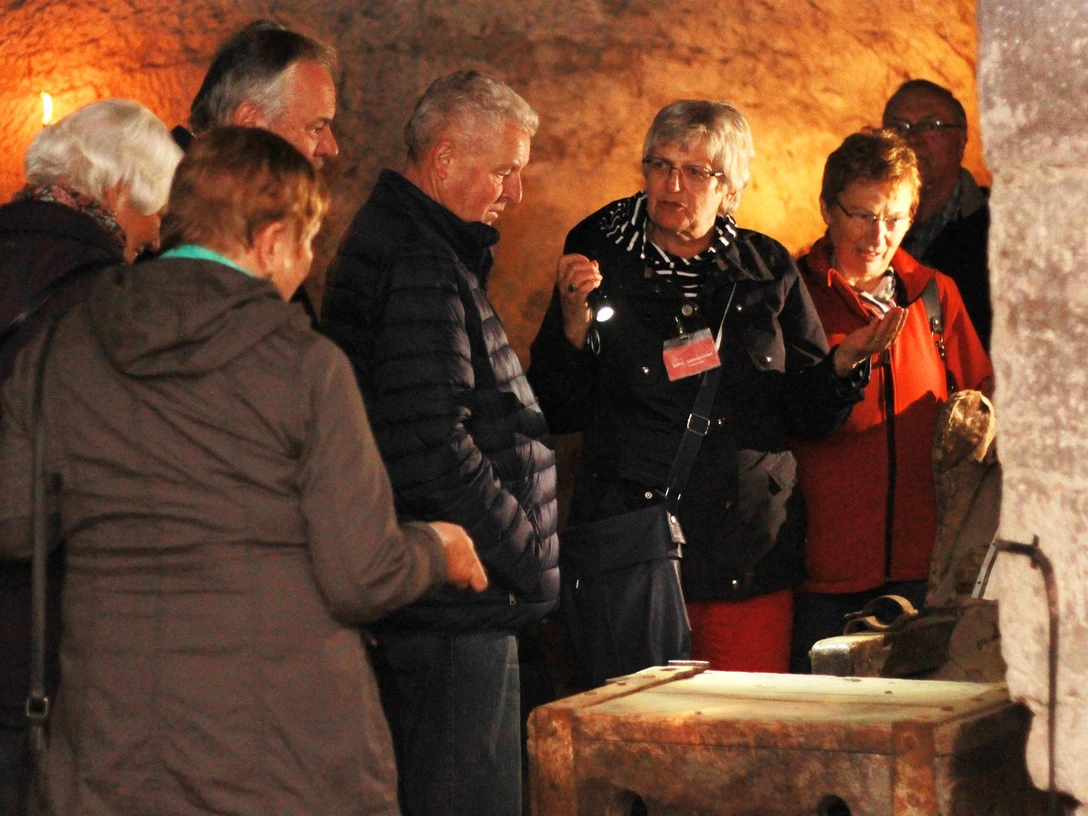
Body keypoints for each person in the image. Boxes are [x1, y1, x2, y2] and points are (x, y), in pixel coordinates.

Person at [0, 126, 488, 815]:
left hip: (112, 748)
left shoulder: (66, 345)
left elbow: (15, 521)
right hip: (280, 753)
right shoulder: (303, 366)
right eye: (308, 241)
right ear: (270, 241)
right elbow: (360, 576)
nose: (308, 263)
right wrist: (437, 548)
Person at [528, 100, 904, 682]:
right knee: (636, 737)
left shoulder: (766, 265)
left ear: (730, 188)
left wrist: (842, 364)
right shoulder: (599, 248)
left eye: (695, 171)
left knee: (742, 733)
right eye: (659, 165)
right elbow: (557, 407)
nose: (671, 184)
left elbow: (804, 414)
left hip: (745, 552)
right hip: (635, 548)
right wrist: (573, 328)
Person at [321, 71, 559, 815]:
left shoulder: (424, 244)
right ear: (447, 159)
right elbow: (429, 446)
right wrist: (523, 553)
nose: (514, 194)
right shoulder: (419, 259)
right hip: (455, 601)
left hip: (456, 601)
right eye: (503, 170)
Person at [0, 98, 181, 816]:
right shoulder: (112, 303)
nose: (156, 232)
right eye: (154, 210)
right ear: (115, 190)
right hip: (51, 649)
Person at [789, 129, 993, 673]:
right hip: (819, 571)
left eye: (896, 219)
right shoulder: (792, 296)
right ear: (828, 209)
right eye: (863, 214)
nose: (879, 236)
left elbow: (983, 402)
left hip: (922, 570)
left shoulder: (933, 294)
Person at [187, 19, 340, 323]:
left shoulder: (242, 210)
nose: (331, 148)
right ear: (251, 125)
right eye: (316, 127)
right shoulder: (166, 217)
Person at [882, 79, 992, 350]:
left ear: (962, 138)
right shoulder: (859, 223)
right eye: (899, 127)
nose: (913, 138)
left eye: (931, 126)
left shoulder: (1000, 226)